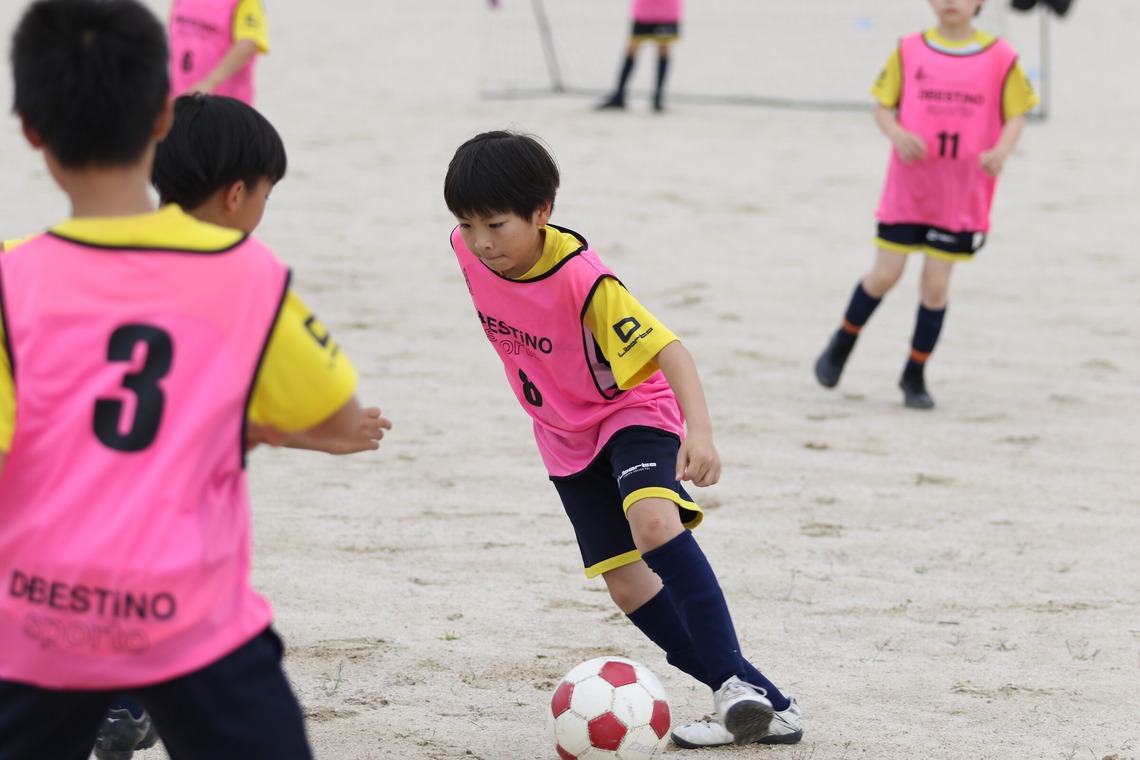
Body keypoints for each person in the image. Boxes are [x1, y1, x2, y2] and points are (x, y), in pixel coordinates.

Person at [0, 3, 390, 760]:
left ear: (32, 130)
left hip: (42, 616)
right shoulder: (243, 274)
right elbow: (340, 414)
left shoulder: (12, 279)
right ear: (159, 119)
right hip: (191, 618)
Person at [443, 130, 802, 749]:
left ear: (542, 212)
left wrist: (702, 433)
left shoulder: (586, 282)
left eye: (497, 225)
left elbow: (671, 350)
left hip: (629, 411)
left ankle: (737, 693)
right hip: (560, 433)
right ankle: (757, 700)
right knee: (626, 582)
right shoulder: (467, 249)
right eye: (467, 223)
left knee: (655, 526)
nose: (480, 241)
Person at [813, 0, 1037, 409]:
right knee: (885, 274)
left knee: (935, 284)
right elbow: (882, 106)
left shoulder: (1000, 56)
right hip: (909, 188)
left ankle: (914, 373)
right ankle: (841, 344)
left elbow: (1017, 112)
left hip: (960, 194)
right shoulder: (909, 49)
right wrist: (897, 133)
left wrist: (1002, 149)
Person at [169, 0, 269, 105]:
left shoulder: (247, 2)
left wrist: (209, 82)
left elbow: (249, 42)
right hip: (180, 97)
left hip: (224, 103)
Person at [597, 0, 682, 112]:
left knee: (662, 50)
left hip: (666, 11)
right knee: (633, 49)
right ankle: (619, 95)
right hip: (645, 10)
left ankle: (658, 97)